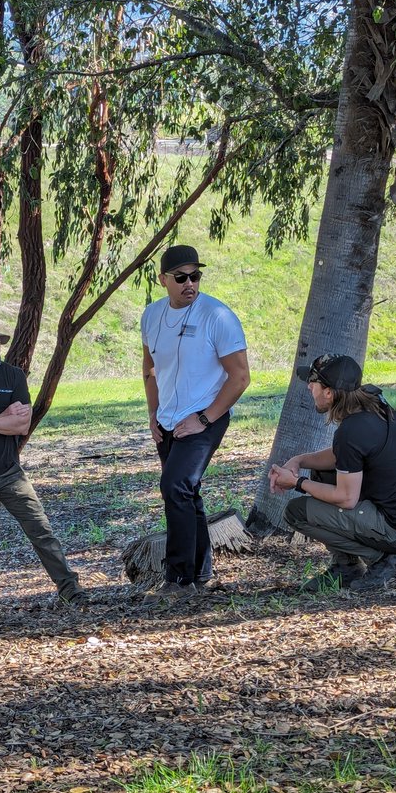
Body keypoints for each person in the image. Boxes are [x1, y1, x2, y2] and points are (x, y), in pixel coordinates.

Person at [0, 319, 87, 618]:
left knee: (41, 530)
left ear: (0, 342)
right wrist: (2, 419)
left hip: (10, 472)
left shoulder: (14, 376)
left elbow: (21, 425)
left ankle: (70, 589)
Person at [269, 353, 396, 592]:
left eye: (313, 382)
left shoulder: (352, 430)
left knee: (296, 512)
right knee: (321, 473)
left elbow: (346, 499)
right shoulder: (371, 403)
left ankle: (383, 559)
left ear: (328, 392)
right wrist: (301, 460)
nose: (309, 387)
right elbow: (343, 455)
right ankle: (345, 567)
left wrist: (297, 482)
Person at [141, 244, 250, 598]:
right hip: (168, 419)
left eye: (196, 276)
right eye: (181, 277)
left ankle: (179, 580)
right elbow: (151, 368)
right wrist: (154, 412)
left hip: (206, 415)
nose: (190, 283)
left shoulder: (217, 316)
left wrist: (204, 418)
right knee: (187, 493)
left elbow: (240, 378)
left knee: (175, 488)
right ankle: (201, 570)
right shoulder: (151, 316)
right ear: (163, 280)